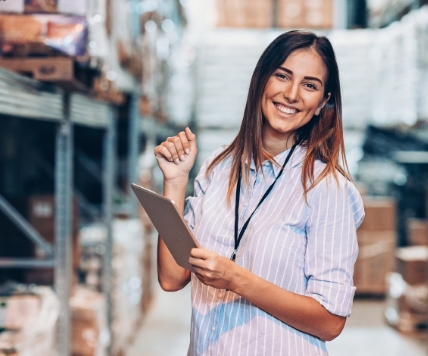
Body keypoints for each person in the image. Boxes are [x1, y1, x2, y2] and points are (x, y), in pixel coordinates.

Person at [154, 30, 365, 356]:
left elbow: (330, 322)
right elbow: (172, 277)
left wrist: (238, 279)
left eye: (310, 85)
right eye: (282, 76)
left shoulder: (328, 189)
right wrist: (175, 181)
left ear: (323, 102)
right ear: (262, 80)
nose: (292, 94)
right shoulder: (217, 167)